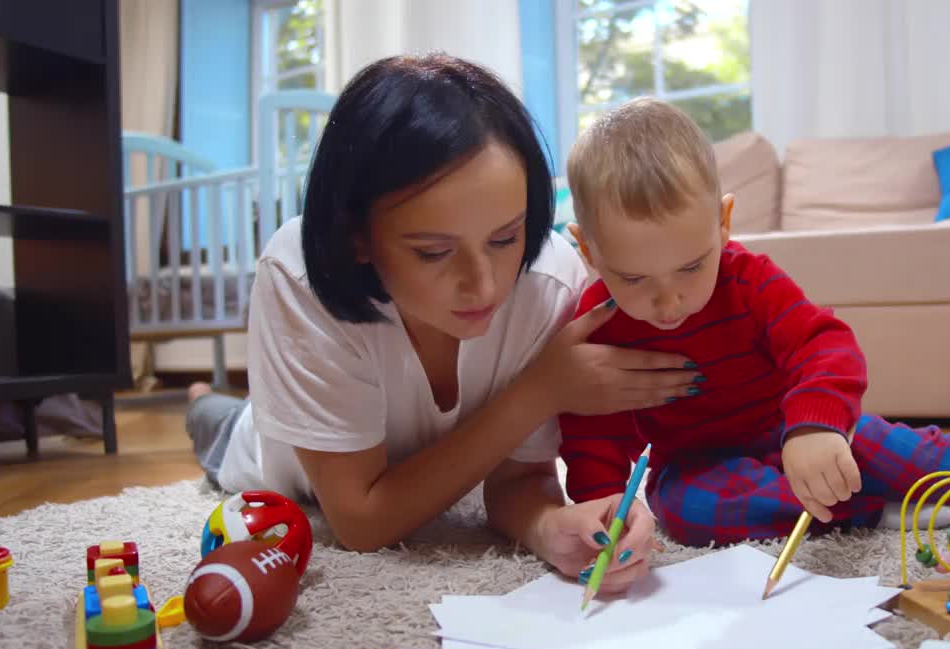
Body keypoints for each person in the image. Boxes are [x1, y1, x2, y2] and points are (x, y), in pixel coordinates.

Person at [184, 54, 702, 593]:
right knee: (216, 425)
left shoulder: (551, 280)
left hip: (422, 456)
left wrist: (552, 528)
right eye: (433, 252)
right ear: (356, 234)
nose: (484, 286)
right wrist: (542, 388)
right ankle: (201, 399)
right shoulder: (298, 276)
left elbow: (520, 479)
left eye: (505, 238)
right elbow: (360, 522)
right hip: (271, 456)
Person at [558, 97, 950, 561]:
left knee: (904, 453)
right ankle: (878, 511)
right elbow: (592, 432)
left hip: (799, 429)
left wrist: (814, 428)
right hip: (698, 462)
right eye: (634, 277)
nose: (668, 300)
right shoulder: (597, 320)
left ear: (724, 223)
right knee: (688, 513)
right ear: (589, 250)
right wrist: (601, 508)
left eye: (690, 267)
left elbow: (823, 344)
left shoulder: (748, 279)